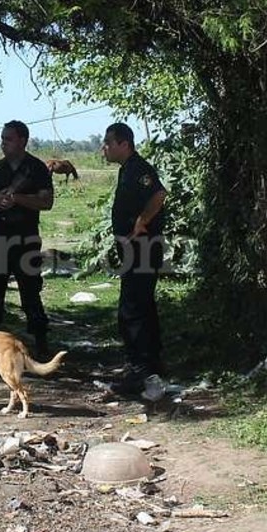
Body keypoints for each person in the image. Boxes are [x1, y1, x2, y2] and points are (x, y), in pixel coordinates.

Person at [0, 120, 54, 356]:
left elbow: (46, 202)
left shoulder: (37, 168)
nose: (3, 143)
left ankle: (41, 344)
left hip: (25, 241)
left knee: (30, 294)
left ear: (22, 141)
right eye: (2, 139)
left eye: (8, 139)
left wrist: (18, 198)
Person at [101, 122, 168, 396]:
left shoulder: (139, 169)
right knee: (141, 306)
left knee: (132, 310)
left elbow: (159, 194)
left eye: (108, 142)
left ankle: (140, 371)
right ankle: (150, 365)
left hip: (142, 249)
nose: (103, 147)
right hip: (134, 250)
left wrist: (141, 221)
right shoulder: (127, 169)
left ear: (123, 144)